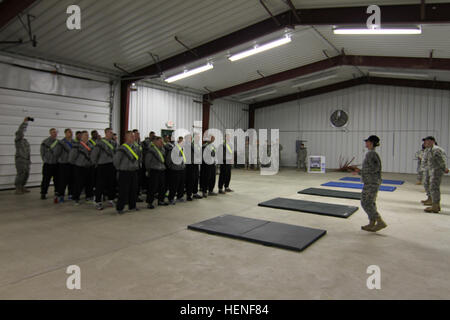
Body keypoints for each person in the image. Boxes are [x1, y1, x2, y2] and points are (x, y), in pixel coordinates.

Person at [352, 135, 387, 232]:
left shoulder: (371, 154)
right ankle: (372, 223)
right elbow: (371, 168)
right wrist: (359, 171)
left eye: (367, 141)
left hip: (371, 183)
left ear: (371, 143)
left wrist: (360, 171)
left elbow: (375, 168)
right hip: (371, 181)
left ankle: (380, 221)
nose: (366, 143)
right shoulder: (371, 153)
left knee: (366, 202)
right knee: (370, 202)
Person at [113, 131, 140, 214]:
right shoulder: (122, 148)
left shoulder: (135, 147)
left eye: (133, 136)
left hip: (133, 171)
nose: (133, 138)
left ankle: (132, 206)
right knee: (123, 191)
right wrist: (121, 168)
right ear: (126, 138)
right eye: (131, 136)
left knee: (133, 190)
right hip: (124, 172)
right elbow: (116, 161)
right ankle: (120, 208)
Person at [91, 128, 117, 210]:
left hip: (111, 165)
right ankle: (97, 201)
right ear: (106, 133)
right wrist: (95, 163)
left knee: (111, 183)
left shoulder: (114, 143)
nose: (111, 134)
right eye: (110, 132)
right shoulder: (100, 142)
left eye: (112, 133)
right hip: (102, 165)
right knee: (100, 184)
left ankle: (111, 199)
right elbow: (94, 154)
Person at [422, 136, 448, 213]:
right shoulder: (429, 150)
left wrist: (444, 169)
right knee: (432, 187)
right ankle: (434, 204)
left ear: (432, 141)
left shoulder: (436, 150)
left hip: (436, 171)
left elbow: (441, 161)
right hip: (431, 170)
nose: (425, 143)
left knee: (434, 188)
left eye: (427, 141)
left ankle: (435, 206)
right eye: (425, 142)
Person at [69, 131, 94, 206]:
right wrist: (76, 164)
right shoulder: (77, 145)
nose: (86, 136)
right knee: (78, 183)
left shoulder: (91, 145)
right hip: (79, 167)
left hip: (89, 166)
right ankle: (76, 198)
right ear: (81, 136)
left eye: (87, 135)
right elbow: (72, 157)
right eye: (85, 135)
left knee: (89, 183)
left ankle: (88, 197)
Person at [145, 136, 168, 209]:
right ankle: (149, 202)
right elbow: (147, 162)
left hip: (162, 170)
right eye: (160, 141)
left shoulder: (163, 150)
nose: (162, 143)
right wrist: (148, 170)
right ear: (155, 142)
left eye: (162, 141)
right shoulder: (151, 150)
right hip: (154, 170)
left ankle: (161, 200)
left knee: (162, 187)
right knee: (152, 187)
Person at [55, 129, 74, 202]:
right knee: (62, 181)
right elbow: (57, 153)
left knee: (71, 180)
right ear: (65, 133)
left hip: (71, 163)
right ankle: (61, 195)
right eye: (69, 132)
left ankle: (70, 194)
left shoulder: (74, 142)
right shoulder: (61, 142)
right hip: (63, 163)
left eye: (71, 132)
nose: (71, 133)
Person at [40, 128, 59, 201]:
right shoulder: (45, 142)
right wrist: (45, 160)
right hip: (48, 164)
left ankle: (57, 192)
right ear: (50, 133)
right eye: (53, 132)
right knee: (45, 179)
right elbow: (42, 153)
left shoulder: (58, 142)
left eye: (55, 132)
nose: (55, 133)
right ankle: (43, 193)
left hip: (56, 164)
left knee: (57, 180)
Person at [166, 136, 186, 204]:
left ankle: (179, 196)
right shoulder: (172, 150)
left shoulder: (182, 150)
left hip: (182, 169)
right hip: (175, 170)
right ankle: (171, 198)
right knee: (174, 185)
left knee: (181, 184)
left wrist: (183, 165)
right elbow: (168, 160)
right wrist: (171, 167)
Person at [14, 118, 31, 195]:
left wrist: (29, 160)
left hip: (26, 160)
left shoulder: (25, 141)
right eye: (21, 133)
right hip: (20, 159)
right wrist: (25, 122)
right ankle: (18, 187)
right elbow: (21, 131)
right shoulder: (18, 140)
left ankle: (22, 186)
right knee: (21, 173)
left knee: (26, 173)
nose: (23, 134)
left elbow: (28, 152)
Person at [185, 134, 202, 201]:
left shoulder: (195, 145)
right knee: (190, 180)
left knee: (196, 179)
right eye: (196, 138)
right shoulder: (188, 145)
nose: (198, 139)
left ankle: (195, 193)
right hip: (190, 165)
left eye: (198, 138)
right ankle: (189, 195)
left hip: (195, 164)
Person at [132, 129, 145, 202]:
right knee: (134, 182)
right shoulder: (132, 144)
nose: (138, 135)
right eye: (137, 134)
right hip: (134, 166)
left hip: (139, 165)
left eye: (139, 134)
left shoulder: (139, 143)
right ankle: (133, 196)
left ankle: (136, 196)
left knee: (138, 182)